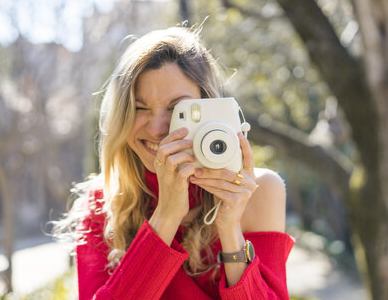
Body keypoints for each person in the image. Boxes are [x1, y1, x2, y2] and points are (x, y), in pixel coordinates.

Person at [55, 26, 294, 299]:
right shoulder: (103, 203)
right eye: (139, 108)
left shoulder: (256, 191)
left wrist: (230, 230)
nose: (157, 129)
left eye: (176, 109)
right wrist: (166, 216)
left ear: (208, 107)